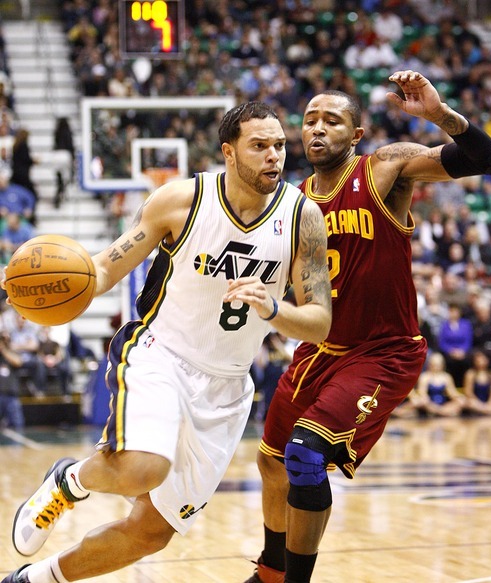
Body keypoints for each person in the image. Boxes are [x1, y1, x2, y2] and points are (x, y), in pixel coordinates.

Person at [1, 101, 332, 583]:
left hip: (227, 388)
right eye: (259, 146)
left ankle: (34, 579)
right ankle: (69, 480)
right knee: (142, 469)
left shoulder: (303, 218)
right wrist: (53, 284)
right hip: (161, 356)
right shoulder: (181, 201)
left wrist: (275, 309)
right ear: (228, 152)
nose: (274, 157)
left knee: (151, 532)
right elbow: (104, 267)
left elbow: (320, 322)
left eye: (279, 145)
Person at [244, 69, 491, 583]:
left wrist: (440, 116)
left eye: (332, 120)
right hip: (320, 350)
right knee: (271, 462)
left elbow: (486, 159)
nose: (316, 128)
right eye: (309, 119)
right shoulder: (290, 202)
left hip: (383, 350)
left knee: (304, 457)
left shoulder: (384, 168)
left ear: (355, 135)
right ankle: (272, 572)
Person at [415, 351, 465, 417]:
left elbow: (452, 393)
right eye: (434, 364)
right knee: (422, 401)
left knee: (462, 401)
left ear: (442, 365)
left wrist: (459, 397)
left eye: (438, 364)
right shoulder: (424, 376)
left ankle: (440, 412)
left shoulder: (446, 377)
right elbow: (422, 393)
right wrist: (426, 399)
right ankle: (444, 412)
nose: (436, 367)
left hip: (443, 405)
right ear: (429, 364)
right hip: (429, 404)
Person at [462, 349, 491, 416]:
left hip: (488, 402)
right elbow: (468, 392)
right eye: (478, 360)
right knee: (468, 402)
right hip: (475, 402)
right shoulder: (470, 373)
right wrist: (481, 405)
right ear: (474, 361)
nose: (480, 362)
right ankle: (489, 411)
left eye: (483, 359)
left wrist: (490, 402)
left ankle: (487, 411)